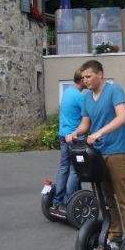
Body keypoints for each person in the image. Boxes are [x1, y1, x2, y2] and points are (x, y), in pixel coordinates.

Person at [66, 60, 125, 250]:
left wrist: (100, 133)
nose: (85, 80)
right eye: (83, 78)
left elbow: (122, 117)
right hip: (98, 155)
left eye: (88, 76)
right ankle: (115, 235)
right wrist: (75, 133)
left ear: (100, 74)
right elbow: (85, 124)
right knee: (106, 199)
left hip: (117, 152)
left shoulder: (114, 90)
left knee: (124, 198)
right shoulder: (87, 98)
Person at [50, 69, 85, 215]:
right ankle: (69, 202)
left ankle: (57, 201)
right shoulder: (80, 97)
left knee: (64, 167)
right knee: (75, 170)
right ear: (82, 80)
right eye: (86, 78)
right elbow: (88, 118)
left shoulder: (67, 92)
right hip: (74, 137)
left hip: (63, 135)